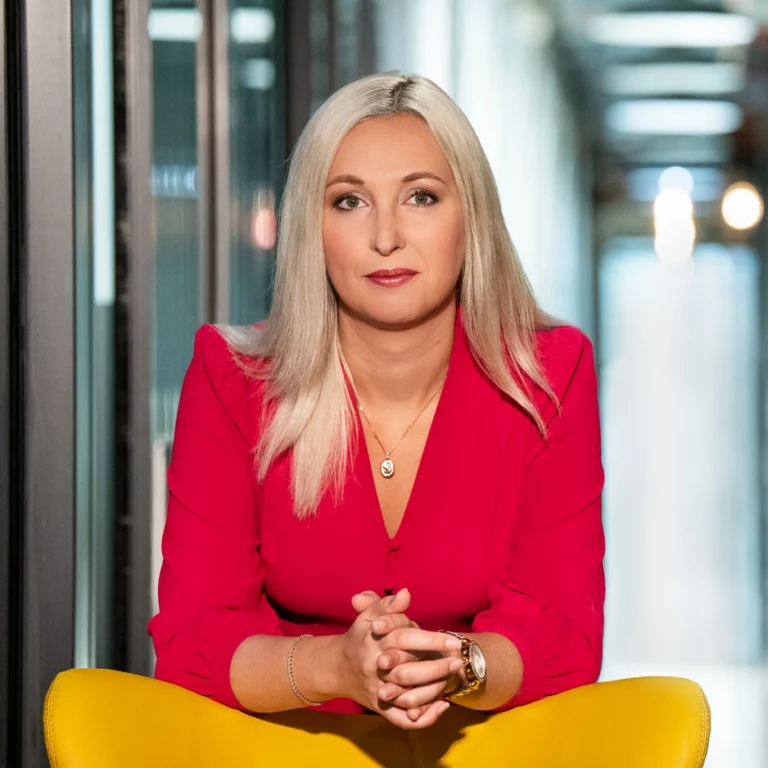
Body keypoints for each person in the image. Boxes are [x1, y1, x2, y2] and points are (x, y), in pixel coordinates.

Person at [148, 72, 605, 734]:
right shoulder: (232, 381)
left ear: (471, 217)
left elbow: (562, 637)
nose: (386, 236)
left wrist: (458, 666)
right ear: (312, 228)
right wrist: (336, 667)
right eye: (350, 201)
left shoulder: (549, 378)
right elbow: (192, 644)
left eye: (421, 197)